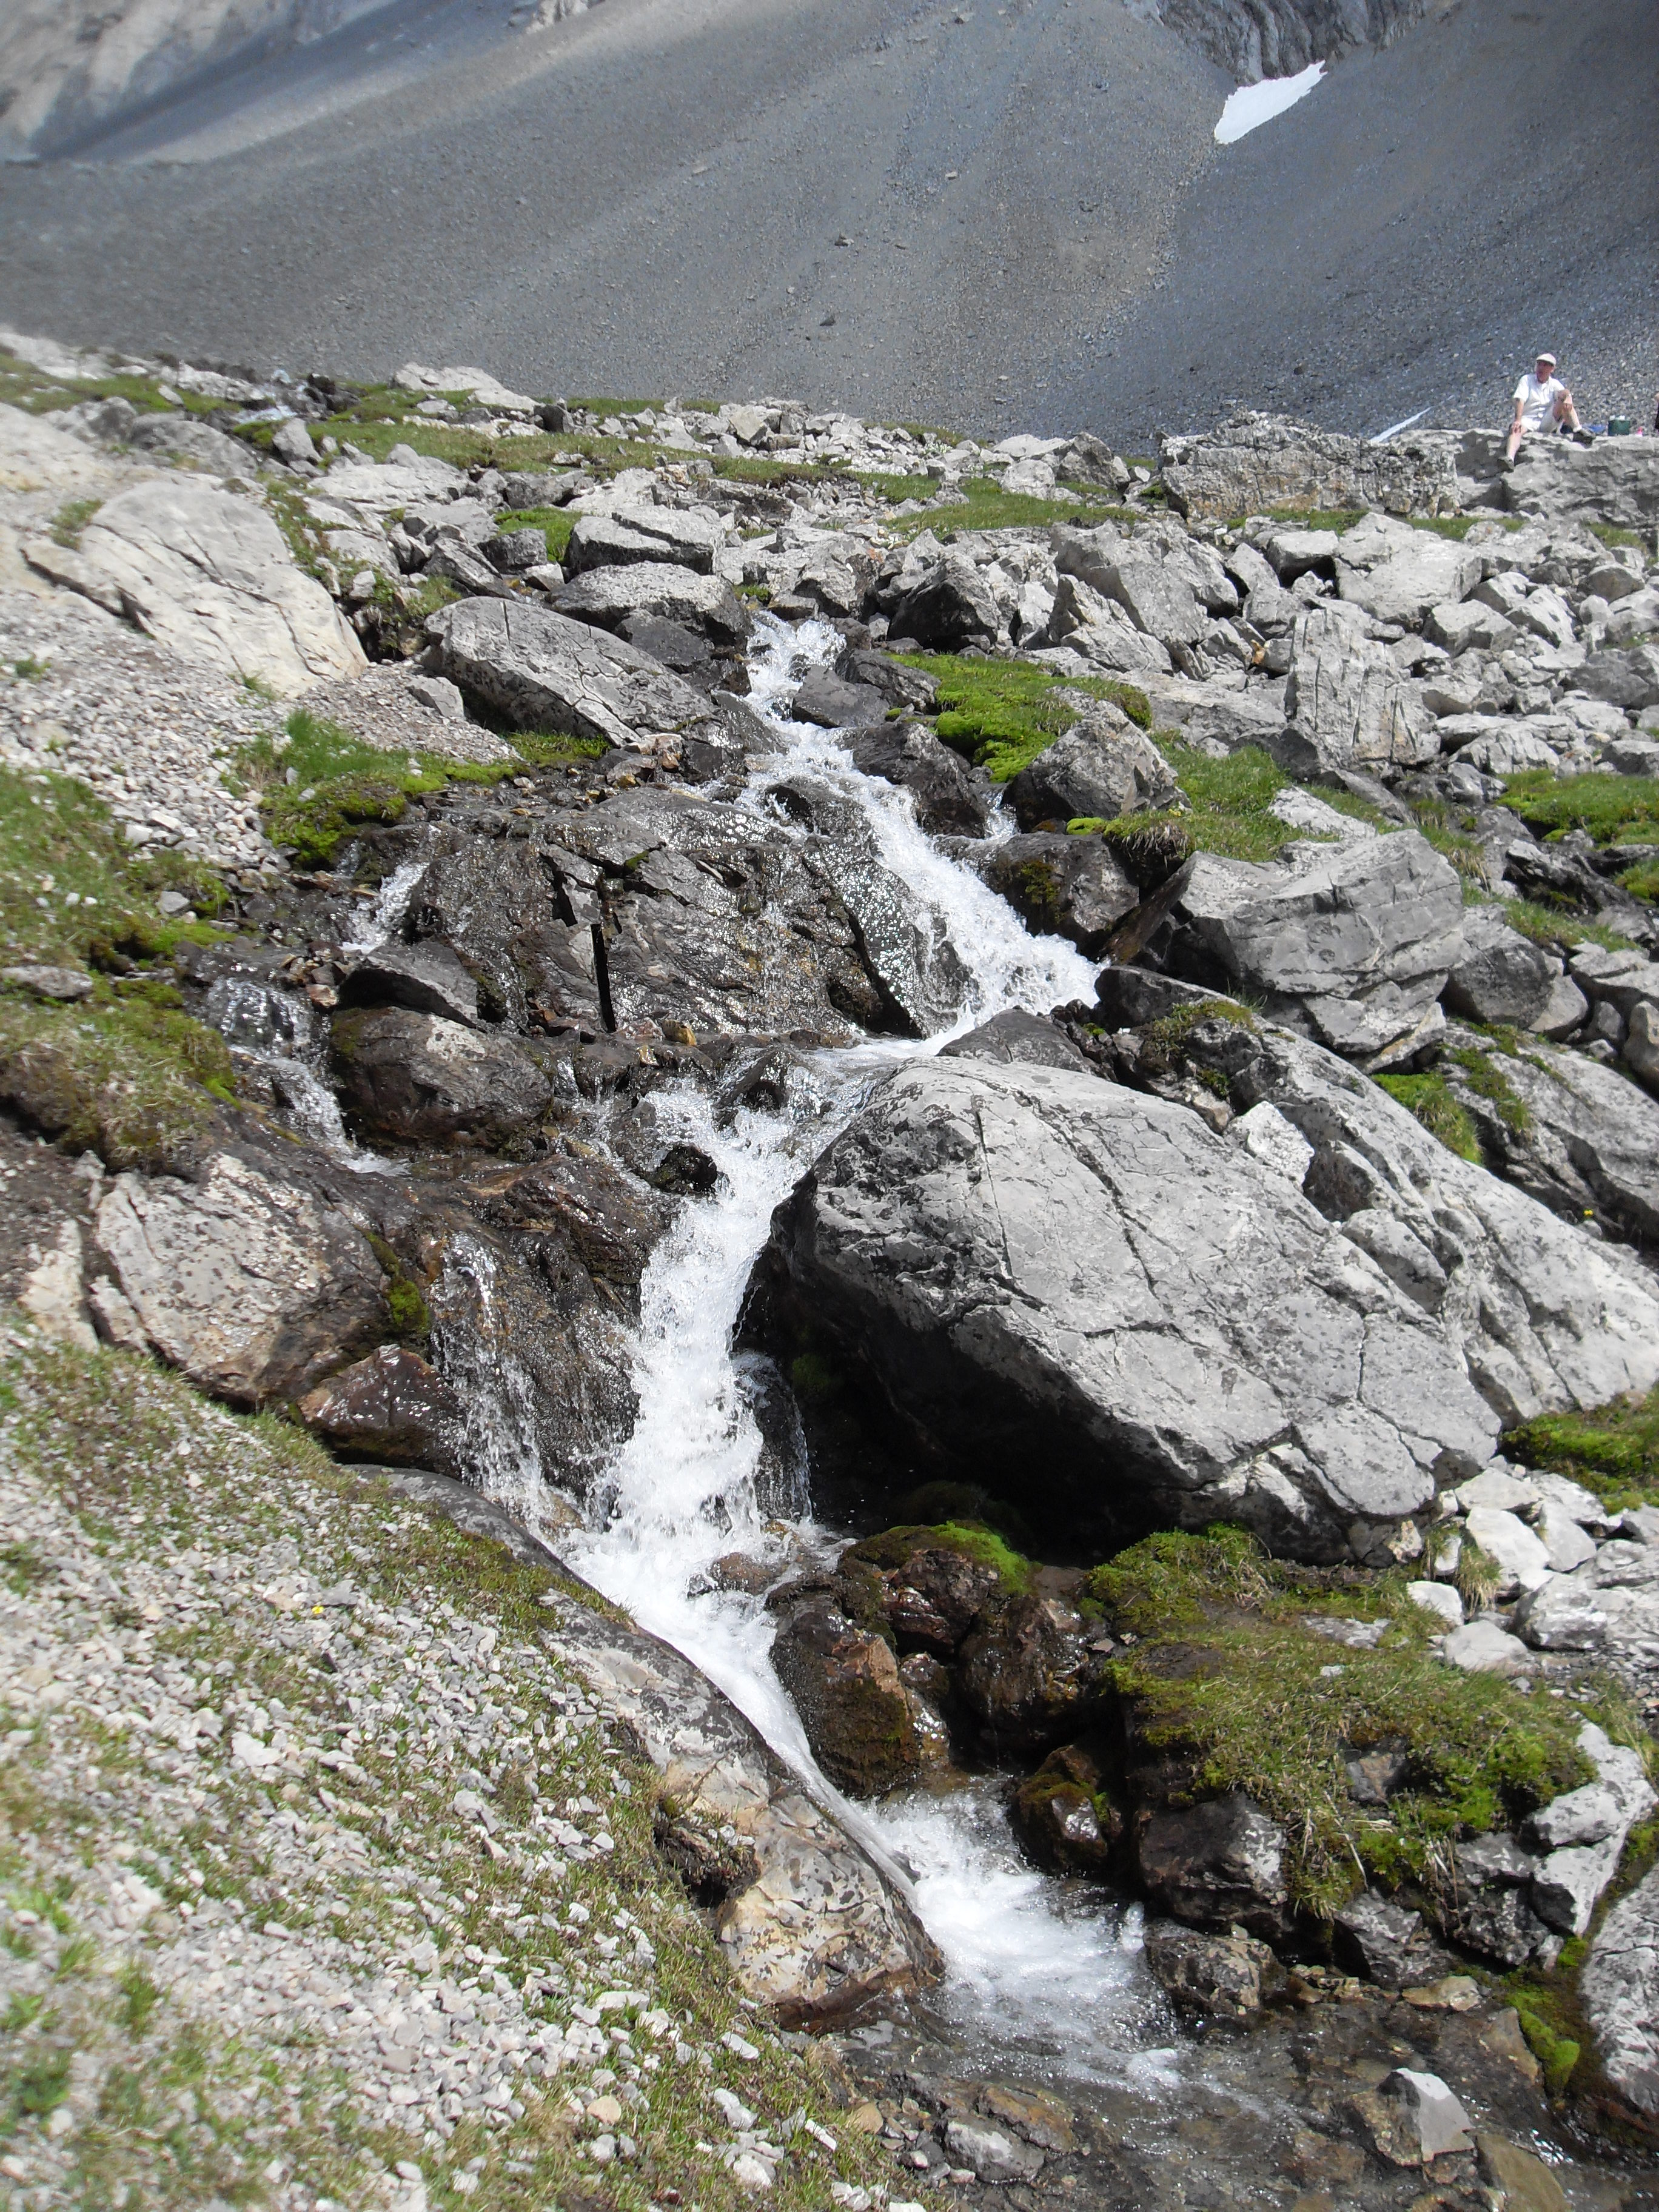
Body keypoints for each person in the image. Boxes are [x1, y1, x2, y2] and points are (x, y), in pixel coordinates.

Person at [1503, 352, 1594, 466]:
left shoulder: (1554, 383)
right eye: (1539, 364)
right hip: (1528, 419)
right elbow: (1520, 399)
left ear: (1552, 369)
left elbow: (1564, 393)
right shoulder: (1526, 380)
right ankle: (1510, 459)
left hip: (1547, 421)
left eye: (1545, 365)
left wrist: (1568, 397)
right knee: (1516, 429)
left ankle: (1577, 430)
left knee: (1564, 401)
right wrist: (1518, 420)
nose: (1541, 368)